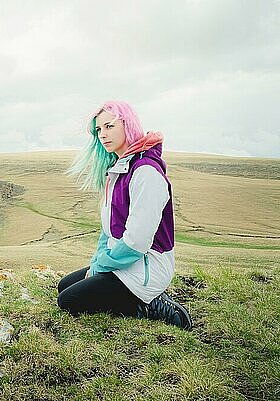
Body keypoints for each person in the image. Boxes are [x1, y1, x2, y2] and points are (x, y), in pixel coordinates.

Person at [58, 100, 192, 330]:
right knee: (65, 286)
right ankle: (143, 296)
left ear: (127, 124)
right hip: (126, 262)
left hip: (146, 266)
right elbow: (108, 231)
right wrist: (97, 262)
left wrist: (100, 268)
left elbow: (136, 242)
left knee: (68, 301)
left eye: (110, 126)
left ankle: (152, 306)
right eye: (99, 129)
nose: (103, 134)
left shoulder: (145, 172)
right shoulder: (120, 169)